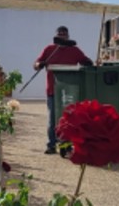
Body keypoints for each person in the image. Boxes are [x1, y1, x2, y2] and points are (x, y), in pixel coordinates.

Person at [34, 25, 93, 154]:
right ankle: (51, 145)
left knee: (70, 120)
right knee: (52, 119)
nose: (62, 37)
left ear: (68, 36)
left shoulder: (75, 50)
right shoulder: (49, 49)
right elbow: (36, 64)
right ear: (55, 36)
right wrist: (40, 64)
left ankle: (67, 144)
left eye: (64, 35)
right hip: (53, 90)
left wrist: (88, 62)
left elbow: (85, 60)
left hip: (71, 91)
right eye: (59, 35)